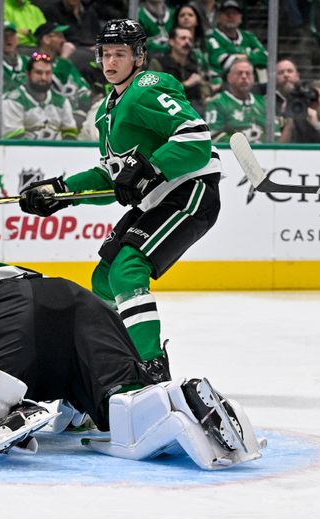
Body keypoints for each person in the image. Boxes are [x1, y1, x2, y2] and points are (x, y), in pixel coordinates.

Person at [0, 243, 264, 469]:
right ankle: (176, 402)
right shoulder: (1, 270)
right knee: (123, 409)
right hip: (80, 302)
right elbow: (54, 334)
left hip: (15, 317)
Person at [19, 19, 222, 376]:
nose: (110, 62)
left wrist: (148, 168)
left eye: (120, 54)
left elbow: (196, 139)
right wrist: (60, 192)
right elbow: (110, 178)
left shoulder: (147, 87)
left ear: (139, 56)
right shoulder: (105, 112)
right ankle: (111, 362)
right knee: (104, 277)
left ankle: (151, 369)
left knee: (128, 270)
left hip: (190, 193)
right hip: (157, 198)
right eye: (105, 54)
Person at [2, 51, 77, 140]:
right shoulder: (12, 101)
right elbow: (14, 140)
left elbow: (70, 133)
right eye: (39, 73)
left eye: (48, 73)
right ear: (28, 74)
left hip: (57, 152)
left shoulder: (62, 101)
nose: (44, 78)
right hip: (25, 152)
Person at [204, 58, 276, 143]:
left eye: (248, 73)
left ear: (253, 78)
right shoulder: (217, 103)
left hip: (265, 154)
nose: (244, 76)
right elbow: (213, 135)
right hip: (232, 154)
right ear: (229, 78)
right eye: (239, 73)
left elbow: (275, 134)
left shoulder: (264, 103)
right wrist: (243, 146)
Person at [35, 21, 92, 125]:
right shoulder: (34, 63)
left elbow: (82, 86)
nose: (64, 41)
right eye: (59, 36)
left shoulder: (64, 63)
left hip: (81, 111)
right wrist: (64, 58)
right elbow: (50, 85)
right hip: (53, 113)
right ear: (46, 39)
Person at [148, 26, 213, 115]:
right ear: (171, 41)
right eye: (183, 38)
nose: (187, 42)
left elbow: (203, 87)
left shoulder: (195, 65)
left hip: (193, 109)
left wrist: (206, 96)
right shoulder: (158, 63)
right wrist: (186, 84)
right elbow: (154, 92)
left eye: (190, 39)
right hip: (167, 111)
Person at [206, 0, 268, 83]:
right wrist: (251, 55)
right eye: (227, 13)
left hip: (250, 85)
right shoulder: (211, 36)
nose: (231, 17)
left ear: (240, 18)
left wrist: (236, 56)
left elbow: (266, 58)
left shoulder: (248, 36)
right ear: (219, 17)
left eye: (234, 14)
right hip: (223, 85)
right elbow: (223, 61)